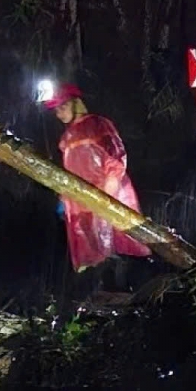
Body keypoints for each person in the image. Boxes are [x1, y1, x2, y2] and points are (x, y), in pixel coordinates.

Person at [40, 83, 152, 273]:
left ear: (76, 103)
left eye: (63, 106)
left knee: (116, 250)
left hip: (106, 195)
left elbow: (115, 157)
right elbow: (70, 170)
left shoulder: (98, 124)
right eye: (56, 110)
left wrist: (107, 194)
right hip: (80, 204)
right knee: (91, 258)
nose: (59, 113)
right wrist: (65, 198)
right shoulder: (66, 137)